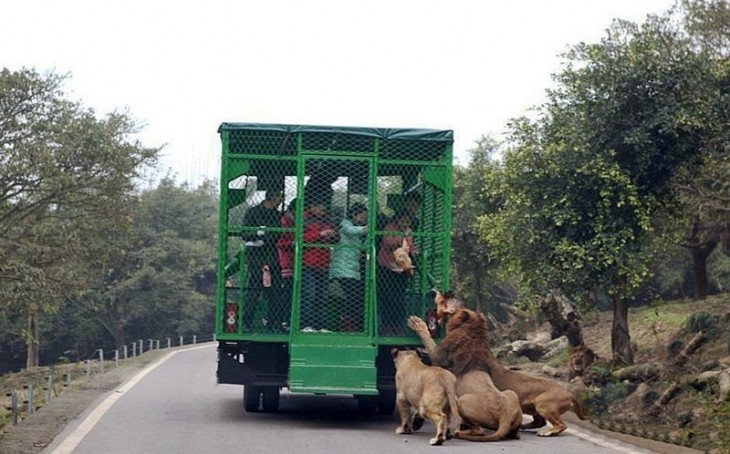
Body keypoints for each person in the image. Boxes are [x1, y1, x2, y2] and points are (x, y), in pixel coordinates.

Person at [242, 190, 283, 331]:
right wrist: (257, 234)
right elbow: (245, 234)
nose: (281, 201)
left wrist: (264, 238)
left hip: (274, 259)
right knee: (254, 291)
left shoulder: (278, 216)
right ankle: (246, 323)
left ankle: (274, 324)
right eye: (280, 197)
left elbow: (279, 235)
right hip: (256, 259)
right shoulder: (252, 212)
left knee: (275, 292)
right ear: (273, 197)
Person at [377, 210, 418, 336]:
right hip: (387, 267)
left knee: (399, 299)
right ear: (398, 220)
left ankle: (398, 327)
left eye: (408, 222)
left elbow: (409, 246)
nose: (405, 224)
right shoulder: (390, 227)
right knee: (387, 298)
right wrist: (403, 237)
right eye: (403, 221)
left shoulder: (408, 231)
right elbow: (389, 243)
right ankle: (387, 327)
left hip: (401, 269)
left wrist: (413, 249)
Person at [300, 196, 338, 331]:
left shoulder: (326, 220)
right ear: (313, 206)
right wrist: (320, 234)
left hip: (323, 263)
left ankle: (320, 326)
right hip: (308, 263)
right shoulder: (303, 218)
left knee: (322, 296)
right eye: (321, 210)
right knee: (309, 294)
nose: (323, 212)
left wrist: (332, 235)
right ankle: (305, 325)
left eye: (324, 210)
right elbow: (301, 238)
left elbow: (336, 238)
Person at [329, 202, 368, 332]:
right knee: (353, 296)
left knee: (356, 296)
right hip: (343, 268)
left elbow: (363, 246)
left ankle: (351, 323)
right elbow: (351, 231)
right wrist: (368, 228)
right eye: (362, 217)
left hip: (352, 269)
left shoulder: (357, 232)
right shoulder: (345, 224)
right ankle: (345, 322)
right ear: (354, 214)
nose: (363, 220)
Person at [275, 198, 297, 332]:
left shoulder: (295, 221)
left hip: (296, 262)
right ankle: (283, 320)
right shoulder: (286, 221)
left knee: (293, 293)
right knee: (287, 293)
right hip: (287, 262)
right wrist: (293, 243)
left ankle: (290, 320)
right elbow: (280, 243)